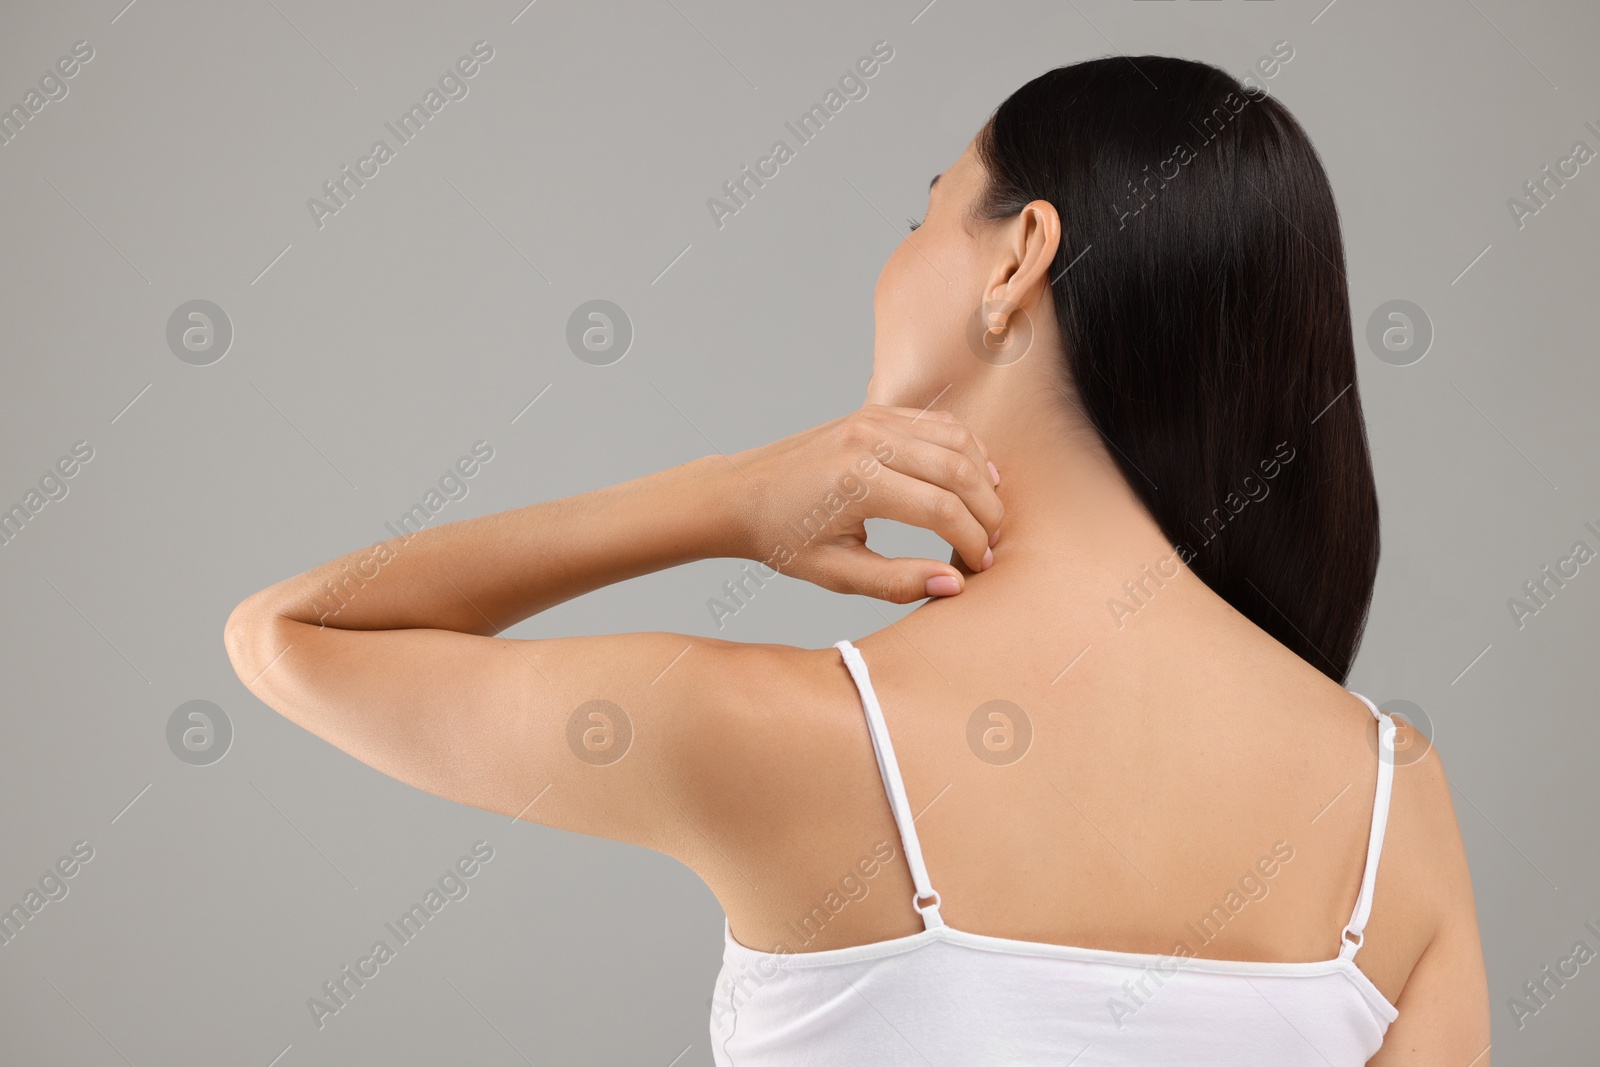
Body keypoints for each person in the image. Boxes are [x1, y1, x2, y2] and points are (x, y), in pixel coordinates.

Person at [225, 55, 1490, 1065]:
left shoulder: (783, 736)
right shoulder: (1390, 802)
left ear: (1016, 256)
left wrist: (721, 497)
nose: (888, 260)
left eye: (923, 211)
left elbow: (291, 636)